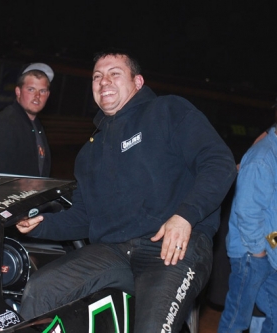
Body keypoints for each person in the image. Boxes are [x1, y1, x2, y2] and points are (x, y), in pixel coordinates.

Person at [16, 49, 237, 332]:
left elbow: (219, 162)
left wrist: (185, 216)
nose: (103, 81)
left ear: (138, 82)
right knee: (41, 288)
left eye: (114, 74)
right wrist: (38, 226)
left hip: (171, 248)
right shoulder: (88, 153)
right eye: (97, 77)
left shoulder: (168, 110)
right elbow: (84, 217)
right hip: (114, 251)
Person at [217, 124, 277, 333]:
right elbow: (248, 211)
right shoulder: (262, 157)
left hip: (266, 253)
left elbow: (271, 216)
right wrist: (258, 253)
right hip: (251, 255)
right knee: (237, 319)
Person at [0, 63, 53, 177]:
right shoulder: (3, 124)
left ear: (48, 95)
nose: (37, 96)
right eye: (31, 89)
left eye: (42, 91)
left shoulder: (36, 126)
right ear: (18, 92)